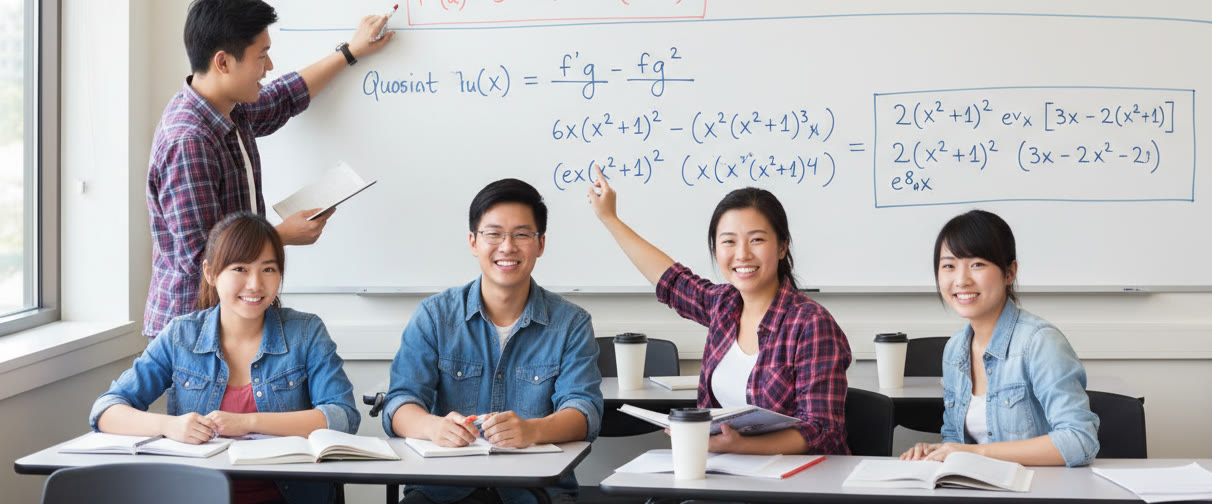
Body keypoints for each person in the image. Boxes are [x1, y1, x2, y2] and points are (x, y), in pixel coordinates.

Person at [144, 0, 395, 337]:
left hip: (231, 317)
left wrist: (351, 51)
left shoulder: (228, 106)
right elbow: (202, 258)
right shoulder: (188, 141)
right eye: (261, 56)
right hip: (197, 330)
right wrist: (280, 236)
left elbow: (283, 98)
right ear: (223, 62)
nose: (269, 66)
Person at [92, 212, 360, 504]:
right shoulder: (181, 335)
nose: (256, 284)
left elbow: (342, 417)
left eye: (268, 269)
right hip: (195, 496)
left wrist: (248, 422)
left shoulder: (306, 332)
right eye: (240, 269)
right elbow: (106, 410)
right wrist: (168, 426)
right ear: (210, 273)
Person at [587, 166, 851, 455]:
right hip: (728, 470)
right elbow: (670, 280)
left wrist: (742, 446)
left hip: (798, 479)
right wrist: (609, 218)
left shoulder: (811, 324)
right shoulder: (723, 306)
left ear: (782, 246)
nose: (742, 254)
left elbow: (822, 431)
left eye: (757, 240)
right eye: (728, 241)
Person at [383, 178, 603, 504]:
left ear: (541, 244)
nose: (507, 247)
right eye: (494, 234)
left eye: (522, 234)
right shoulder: (433, 316)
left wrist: (532, 431)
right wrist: (433, 427)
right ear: (473, 242)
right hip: (442, 490)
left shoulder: (571, 323)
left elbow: (584, 412)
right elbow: (399, 404)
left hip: (535, 492)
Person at [900, 209, 1099, 466]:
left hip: (1039, 491)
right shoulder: (954, 350)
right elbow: (956, 439)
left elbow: (1079, 440)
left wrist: (975, 454)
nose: (961, 280)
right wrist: (939, 451)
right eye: (949, 266)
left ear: (1009, 273)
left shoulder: (1040, 342)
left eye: (977, 265)